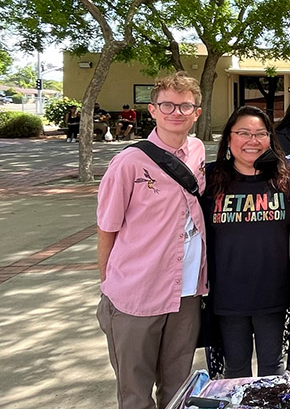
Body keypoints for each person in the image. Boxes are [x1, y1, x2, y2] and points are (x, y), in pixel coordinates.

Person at [96, 72, 206, 409]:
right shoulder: (128, 162)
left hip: (186, 292)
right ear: (153, 110)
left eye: (185, 105)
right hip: (136, 295)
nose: (176, 112)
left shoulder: (198, 150)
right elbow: (107, 228)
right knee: (135, 392)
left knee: (177, 388)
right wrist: (108, 285)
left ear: (196, 112)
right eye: (167, 105)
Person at [202, 106, 290, 378]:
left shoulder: (286, 180)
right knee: (236, 370)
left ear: (270, 139)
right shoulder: (209, 179)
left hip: (273, 293)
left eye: (260, 134)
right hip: (228, 295)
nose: (252, 141)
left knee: (272, 369)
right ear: (229, 139)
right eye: (243, 133)